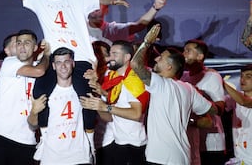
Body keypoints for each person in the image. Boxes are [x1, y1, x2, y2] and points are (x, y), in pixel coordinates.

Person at [0, 0, 129, 135]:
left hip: (80, 57)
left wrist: (114, 1)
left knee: (86, 98)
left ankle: (89, 143)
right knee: (39, 92)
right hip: (55, 58)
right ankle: (47, 137)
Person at [130, 24, 218, 165]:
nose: (156, 59)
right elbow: (213, 109)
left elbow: (135, 64)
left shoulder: (159, 83)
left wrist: (147, 42)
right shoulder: (188, 88)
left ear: (169, 67)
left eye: (161, 58)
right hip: (182, 158)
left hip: (161, 159)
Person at [80, 40, 150, 165]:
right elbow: (113, 111)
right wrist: (100, 94)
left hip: (134, 144)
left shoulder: (133, 80)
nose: (110, 57)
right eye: (110, 53)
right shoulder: (114, 77)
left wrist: (106, 107)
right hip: (119, 141)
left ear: (127, 57)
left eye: (114, 54)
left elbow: (136, 113)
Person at [0, 29, 50, 165]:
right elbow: (39, 71)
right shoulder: (10, 62)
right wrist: (47, 55)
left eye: (27, 43)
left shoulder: (38, 66)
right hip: (1, 135)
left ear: (34, 47)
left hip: (27, 139)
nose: (21, 46)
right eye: (19, 43)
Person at [28, 47, 94, 165]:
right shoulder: (45, 94)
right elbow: (32, 125)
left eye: (66, 61)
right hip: (52, 158)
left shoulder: (83, 91)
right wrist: (34, 112)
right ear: (53, 66)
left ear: (73, 63)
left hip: (80, 156)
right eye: (58, 62)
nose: (63, 66)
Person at [181, 39, 226, 165]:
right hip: (191, 142)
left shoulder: (211, 76)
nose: (183, 54)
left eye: (188, 51)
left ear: (200, 56)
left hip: (211, 144)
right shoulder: (183, 77)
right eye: (183, 50)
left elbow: (219, 108)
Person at [88, 0, 172, 45]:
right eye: (93, 5)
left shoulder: (112, 30)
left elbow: (139, 25)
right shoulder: (79, 26)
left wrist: (155, 8)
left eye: (99, 6)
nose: (95, 9)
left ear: (106, 10)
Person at [223, 64, 252, 165]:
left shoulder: (240, 99)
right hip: (240, 158)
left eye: (248, 76)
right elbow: (218, 107)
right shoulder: (234, 98)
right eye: (241, 76)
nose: (243, 79)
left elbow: (244, 102)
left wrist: (222, 83)